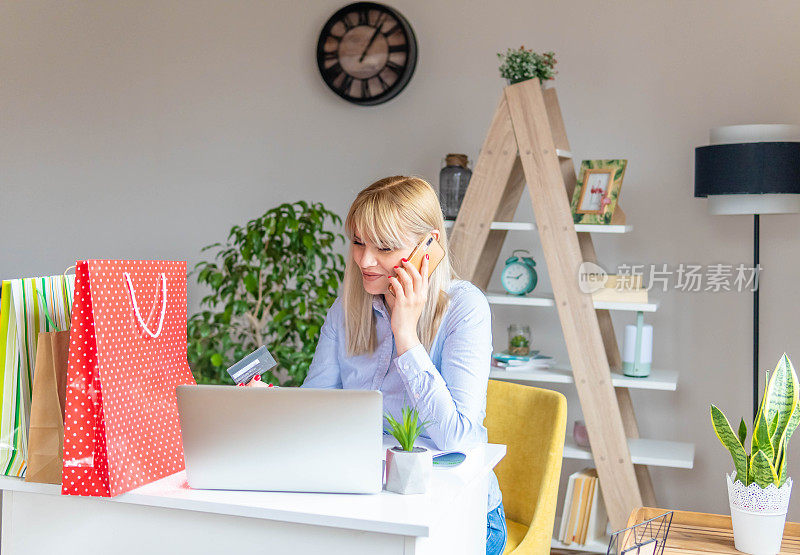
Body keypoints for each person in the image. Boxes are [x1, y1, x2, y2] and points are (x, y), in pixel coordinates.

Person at [250, 176, 506, 554]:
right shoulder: (347, 309)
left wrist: (406, 335)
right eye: (358, 242)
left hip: (460, 515)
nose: (365, 261)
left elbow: (457, 438)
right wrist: (272, 405)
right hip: (368, 503)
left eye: (384, 247)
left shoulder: (464, 310)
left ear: (428, 246)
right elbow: (318, 406)